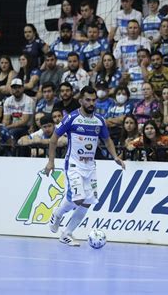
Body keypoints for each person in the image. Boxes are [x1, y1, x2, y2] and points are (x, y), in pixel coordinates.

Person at [45, 86, 125, 246]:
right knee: (78, 198)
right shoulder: (71, 118)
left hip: (90, 167)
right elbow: (54, 139)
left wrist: (115, 156)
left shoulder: (99, 120)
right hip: (74, 165)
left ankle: (66, 234)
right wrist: (51, 161)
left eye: (94, 100)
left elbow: (107, 140)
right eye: (88, 100)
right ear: (80, 100)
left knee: (87, 202)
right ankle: (57, 213)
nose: (91, 103)